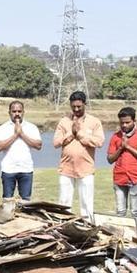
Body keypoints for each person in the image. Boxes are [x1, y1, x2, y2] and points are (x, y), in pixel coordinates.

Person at [53, 91, 104, 222]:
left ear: (84, 104)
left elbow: (99, 142)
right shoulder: (64, 122)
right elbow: (56, 143)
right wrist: (71, 133)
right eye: (73, 107)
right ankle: (63, 228)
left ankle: (87, 228)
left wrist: (80, 134)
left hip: (86, 170)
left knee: (86, 203)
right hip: (66, 168)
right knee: (64, 202)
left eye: (79, 107)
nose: (76, 109)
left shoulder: (94, 122)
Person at [106, 107, 137, 231]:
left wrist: (128, 147)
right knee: (120, 211)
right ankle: (120, 236)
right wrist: (121, 148)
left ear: (134, 121)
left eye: (127, 122)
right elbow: (110, 159)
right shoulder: (116, 137)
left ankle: (136, 236)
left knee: (135, 211)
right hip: (119, 178)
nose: (124, 125)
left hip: (135, 177)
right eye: (122, 123)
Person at [0, 100, 42, 200]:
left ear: (23, 112)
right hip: (8, 169)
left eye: (19, 111)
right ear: (9, 112)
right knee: (7, 200)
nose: (17, 114)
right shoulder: (2, 128)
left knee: (25, 201)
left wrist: (22, 134)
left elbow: (38, 145)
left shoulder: (31, 127)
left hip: (26, 169)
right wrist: (16, 135)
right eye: (14, 111)